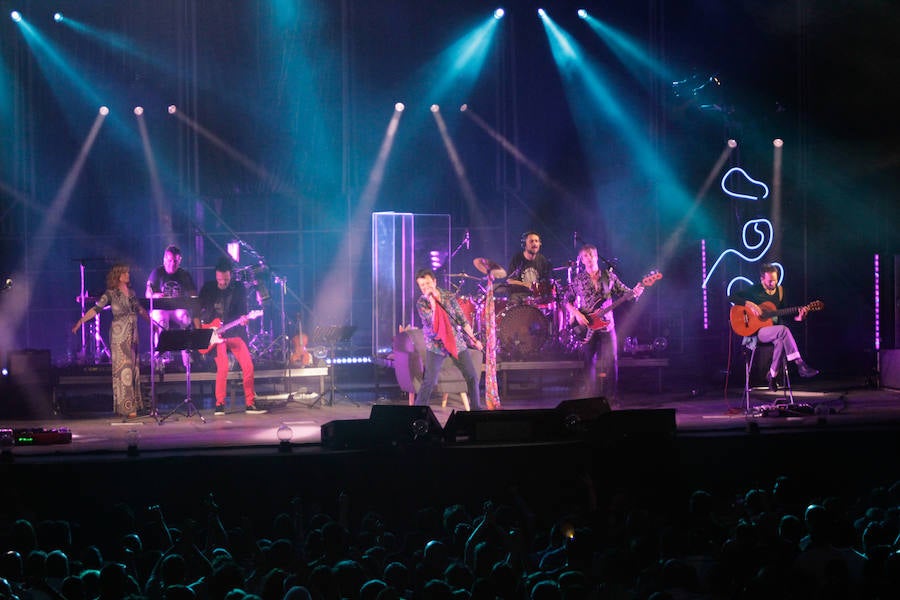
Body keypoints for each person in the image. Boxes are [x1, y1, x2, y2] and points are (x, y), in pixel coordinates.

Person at [564, 244, 643, 401]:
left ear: (597, 256)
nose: (589, 257)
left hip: (607, 325)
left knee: (611, 361)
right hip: (587, 327)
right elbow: (567, 300)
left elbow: (626, 293)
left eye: (592, 254)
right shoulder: (578, 279)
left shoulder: (609, 277)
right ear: (582, 259)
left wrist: (636, 292)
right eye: (585, 255)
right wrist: (577, 314)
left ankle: (610, 398)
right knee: (588, 363)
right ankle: (589, 397)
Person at [72, 263, 151, 418]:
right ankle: (127, 408)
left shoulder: (132, 293)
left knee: (134, 369)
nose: (128, 275)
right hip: (119, 335)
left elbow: (140, 310)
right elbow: (96, 309)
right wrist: (80, 321)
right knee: (124, 369)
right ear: (118, 276)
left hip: (133, 334)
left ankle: (134, 404)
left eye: (128, 272)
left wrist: (152, 324)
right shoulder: (110, 294)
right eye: (125, 273)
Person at [728, 263, 818, 390]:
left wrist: (799, 318)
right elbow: (731, 297)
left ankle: (772, 375)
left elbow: (783, 315)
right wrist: (749, 304)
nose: (773, 284)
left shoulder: (780, 291)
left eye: (775, 281)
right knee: (783, 330)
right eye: (769, 281)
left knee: (781, 340)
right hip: (755, 333)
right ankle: (800, 364)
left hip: (773, 331)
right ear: (762, 279)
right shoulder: (755, 290)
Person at [195, 257, 265, 415]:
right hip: (216, 334)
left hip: (233, 332)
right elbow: (197, 310)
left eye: (225, 279)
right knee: (223, 367)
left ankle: (250, 403)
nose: (222, 283)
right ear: (216, 276)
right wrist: (202, 330)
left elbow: (242, 312)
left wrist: (244, 320)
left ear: (230, 276)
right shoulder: (208, 288)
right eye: (220, 279)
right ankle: (219, 404)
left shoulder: (238, 288)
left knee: (248, 366)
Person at [414, 268, 485, 409]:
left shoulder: (448, 296)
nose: (426, 288)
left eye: (428, 283)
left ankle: (477, 410)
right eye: (422, 286)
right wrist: (433, 304)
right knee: (429, 381)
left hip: (455, 341)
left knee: (472, 376)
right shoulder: (422, 303)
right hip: (436, 345)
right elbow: (434, 326)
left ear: (434, 282)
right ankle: (418, 412)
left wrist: (472, 338)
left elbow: (462, 319)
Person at [146, 245, 197, 369]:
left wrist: (188, 299)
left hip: (176, 308)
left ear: (180, 260)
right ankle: (160, 357)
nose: (172, 263)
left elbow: (193, 295)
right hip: (160, 308)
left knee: (185, 318)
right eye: (169, 260)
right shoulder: (157, 272)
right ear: (164, 260)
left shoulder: (184, 275)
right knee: (162, 323)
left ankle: (187, 356)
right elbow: (147, 294)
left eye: (175, 261)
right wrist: (157, 295)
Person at [507, 231, 553, 306]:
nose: (534, 244)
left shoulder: (542, 260)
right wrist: (526, 284)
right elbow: (509, 281)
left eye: (536, 241)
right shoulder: (517, 259)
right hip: (520, 296)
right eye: (531, 241)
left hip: (537, 296)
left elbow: (547, 280)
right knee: (514, 299)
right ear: (524, 245)